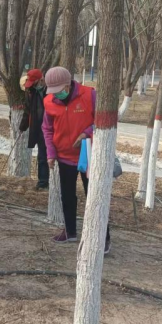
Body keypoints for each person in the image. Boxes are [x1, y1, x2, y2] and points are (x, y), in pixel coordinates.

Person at [42, 66, 111, 254]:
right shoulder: (49, 102)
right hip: (64, 157)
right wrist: (51, 153)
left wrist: (86, 133)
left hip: (89, 156)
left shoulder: (89, 95)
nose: (57, 95)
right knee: (67, 196)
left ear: (68, 84)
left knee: (94, 197)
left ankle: (103, 237)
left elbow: (103, 120)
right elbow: (47, 129)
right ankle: (70, 231)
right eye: (53, 91)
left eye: (59, 90)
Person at [19, 69, 49, 190]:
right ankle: (43, 182)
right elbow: (27, 111)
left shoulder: (51, 90)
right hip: (39, 129)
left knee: (52, 156)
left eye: (33, 82)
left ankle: (55, 181)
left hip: (53, 128)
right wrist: (22, 127)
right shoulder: (30, 92)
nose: (31, 85)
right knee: (42, 157)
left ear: (40, 80)